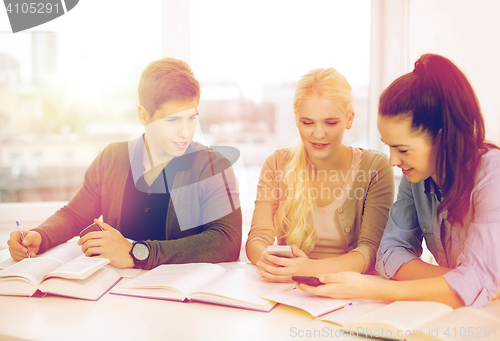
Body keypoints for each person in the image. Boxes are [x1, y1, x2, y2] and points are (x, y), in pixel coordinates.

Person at [299, 54, 500, 308]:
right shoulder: (418, 174)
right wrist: (465, 281)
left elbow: (476, 284)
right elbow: (389, 255)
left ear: (442, 137)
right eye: (389, 147)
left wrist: (370, 289)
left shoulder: (492, 175)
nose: (393, 160)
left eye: (403, 150)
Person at [7, 57, 242, 269]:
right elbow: (75, 215)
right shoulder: (113, 158)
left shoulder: (213, 166)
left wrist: (137, 253)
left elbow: (226, 242)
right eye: (172, 120)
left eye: (192, 118)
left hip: (180, 296)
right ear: (143, 116)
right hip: (114, 293)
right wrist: (40, 236)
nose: (185, 132)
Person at [246, 67, 394, 282]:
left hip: (350, 292)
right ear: (296, 119)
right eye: (307, 123)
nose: (318, 134)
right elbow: (257, 240)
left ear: (350, 119)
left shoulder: (375, 167)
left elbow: (370, 252)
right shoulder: (276, 164)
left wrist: (309, 269)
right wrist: (273, 263)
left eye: (331, 123)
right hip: (290, 289)